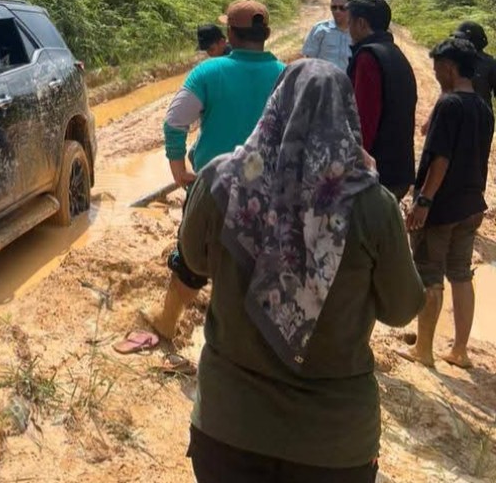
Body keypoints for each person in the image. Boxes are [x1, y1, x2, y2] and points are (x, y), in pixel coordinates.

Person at [179, 59, 424, 483]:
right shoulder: (372, 204)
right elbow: (402, 308)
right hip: (332, 443)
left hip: (229, 424)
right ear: (347, 117)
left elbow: (194, 261)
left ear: (275, 103)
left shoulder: (220, 179)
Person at [144, 0, 285, 341]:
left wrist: (178, 169)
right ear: (266, 34)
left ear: (230, 35)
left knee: (190, 260)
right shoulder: (286, 76)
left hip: (213, 188)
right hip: (268, 190)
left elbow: (174, 122)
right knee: (258, 264)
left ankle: (167, 324)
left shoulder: (209, 72)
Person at [398, 38, 494, 370]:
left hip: (442, 206)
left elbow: (440, 159)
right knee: (461, 274)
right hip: (471, 204)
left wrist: (424, 201)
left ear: (449, 68)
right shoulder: (483, 107)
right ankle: (460, 350)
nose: (436, 74)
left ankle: (423, 349)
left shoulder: (449, 105)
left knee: (430, 273)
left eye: (437, 68)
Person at [346, 0, 418, 202]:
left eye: (350, 22)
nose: (348, 29)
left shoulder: (368, 58)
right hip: (399, 169)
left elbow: (363, 121)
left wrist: (352, 170)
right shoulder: (395, 53)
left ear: (361, 23)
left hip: (376, 175)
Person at [300, 0, 353, 70]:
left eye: (342, 8)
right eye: (334, 7)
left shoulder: (357, 32)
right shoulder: (320, 29)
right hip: (323, 76)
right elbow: (310, 59)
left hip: (347, 77)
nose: (337, 11)